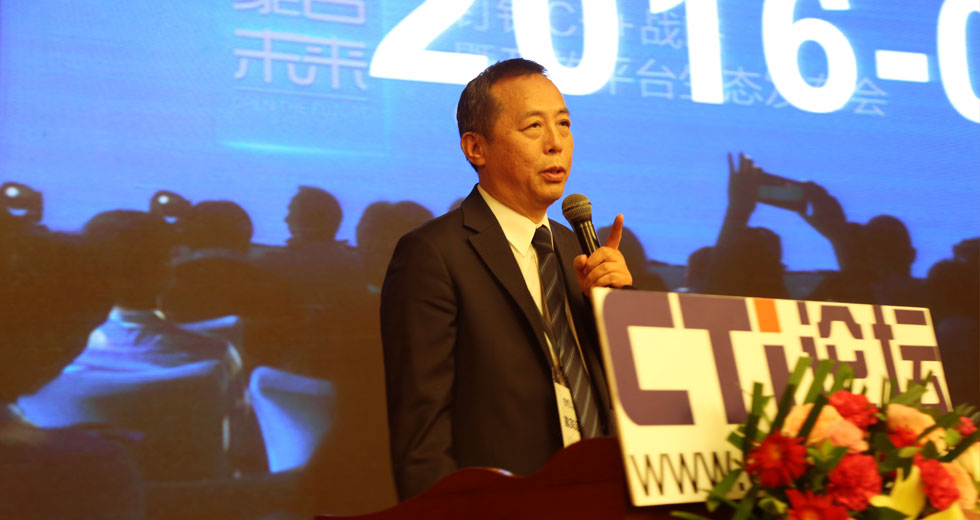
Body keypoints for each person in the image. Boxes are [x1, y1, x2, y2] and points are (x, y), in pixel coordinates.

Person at [380, 58, 633, 500]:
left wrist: (617, 312)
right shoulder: (433, 255)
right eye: (534, 127)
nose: (556, 143)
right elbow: (422, 436)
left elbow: (632, 397)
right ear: (476, 147)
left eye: (564, 124)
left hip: (604, 496)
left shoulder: (581, 253)